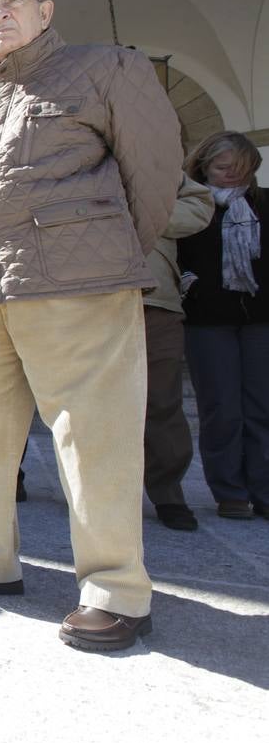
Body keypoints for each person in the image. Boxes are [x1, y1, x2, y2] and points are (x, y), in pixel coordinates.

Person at [0, 0, 181, 652]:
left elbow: (152, 176)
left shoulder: (104, 68)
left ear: (44, 12)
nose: (0, 13)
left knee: (93, 436)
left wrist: (104, 253)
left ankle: (115, 590)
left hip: (77, 283)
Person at [178, 131, 268, 521]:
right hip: (208, 320)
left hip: (261, 318)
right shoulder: (191, 205)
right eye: (223, 167)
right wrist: (190, 284)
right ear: (203, 166)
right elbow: (171, 253)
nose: (232, 175)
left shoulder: (264, 203)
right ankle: (230, 491)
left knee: (261, 407)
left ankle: (264, 490)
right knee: (221, 408)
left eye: (242, 169)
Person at [142, 175, 214, 529]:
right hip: (87, 301)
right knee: (90, 407)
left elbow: (200, 206)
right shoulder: (71, 149)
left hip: (156, 300)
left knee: (162, 401)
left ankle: (168, 493)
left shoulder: (157, 157)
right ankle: (96, 499)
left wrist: (142, 215)